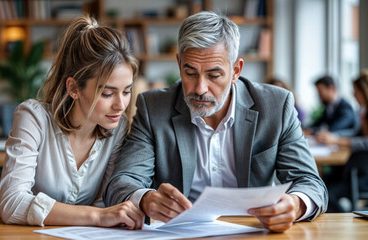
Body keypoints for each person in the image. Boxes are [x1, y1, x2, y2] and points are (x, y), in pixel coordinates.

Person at [104, 11, 327, 233]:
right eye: (190, 73)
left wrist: (295, 204)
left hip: (253, 232)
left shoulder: (276, 106)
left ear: (236, 71)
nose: (200, 88)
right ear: (179, 63)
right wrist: (145, 199)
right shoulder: (153, 107)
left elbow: (310, 181)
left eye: (213, 75)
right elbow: (121, 181)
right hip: (180, 235)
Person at [0, 16, 145, 229]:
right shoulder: (33, 118)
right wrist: (97, 217)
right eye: (108, 93)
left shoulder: (117, 129)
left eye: (126, 91)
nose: (121, 105)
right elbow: (12, 204)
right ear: (73, 88)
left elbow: (106, 204)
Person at [316, 74, 368, 212]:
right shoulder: (362, 111)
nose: (353, 95)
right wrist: (335, 137)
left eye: (356, 91)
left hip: (361, 175)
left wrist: (338, 140)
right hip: (353, 171)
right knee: (319, 183)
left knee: (325, 192)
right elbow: (354, 132)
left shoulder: (354, 110)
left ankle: (344, 217)